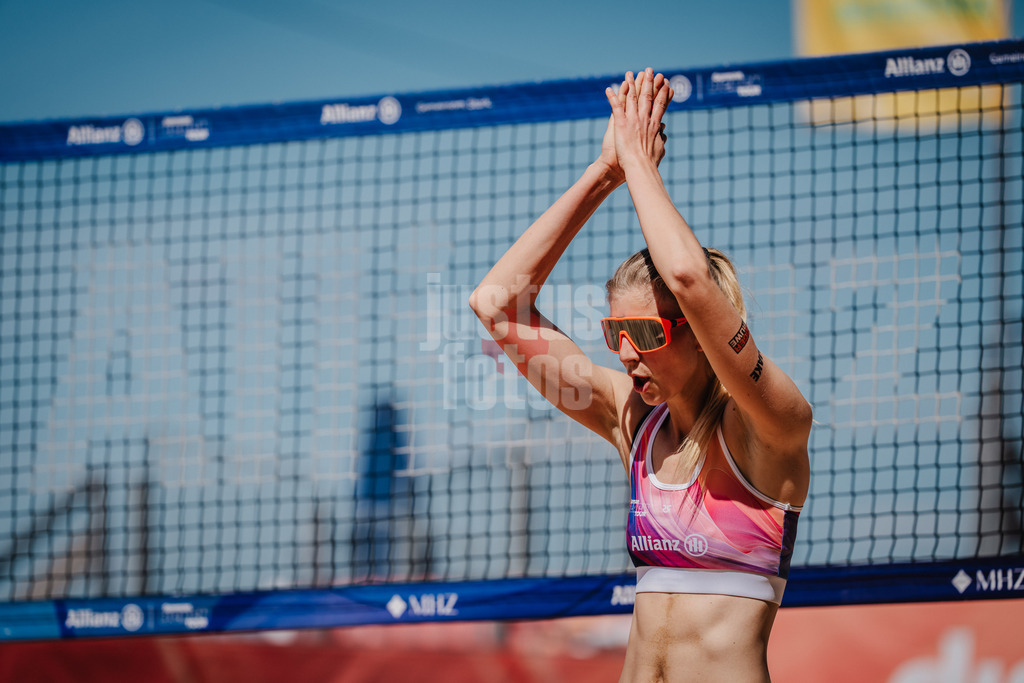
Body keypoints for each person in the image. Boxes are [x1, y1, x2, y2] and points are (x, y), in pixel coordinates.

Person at [469, 68, 812, 682]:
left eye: (649, 334)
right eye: (615, 334)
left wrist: (641, 165)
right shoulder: (633, 421)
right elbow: (497, 304)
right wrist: (607, 172)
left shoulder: (771, 425)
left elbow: (686, 279)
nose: (628, 354)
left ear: (703, 336)